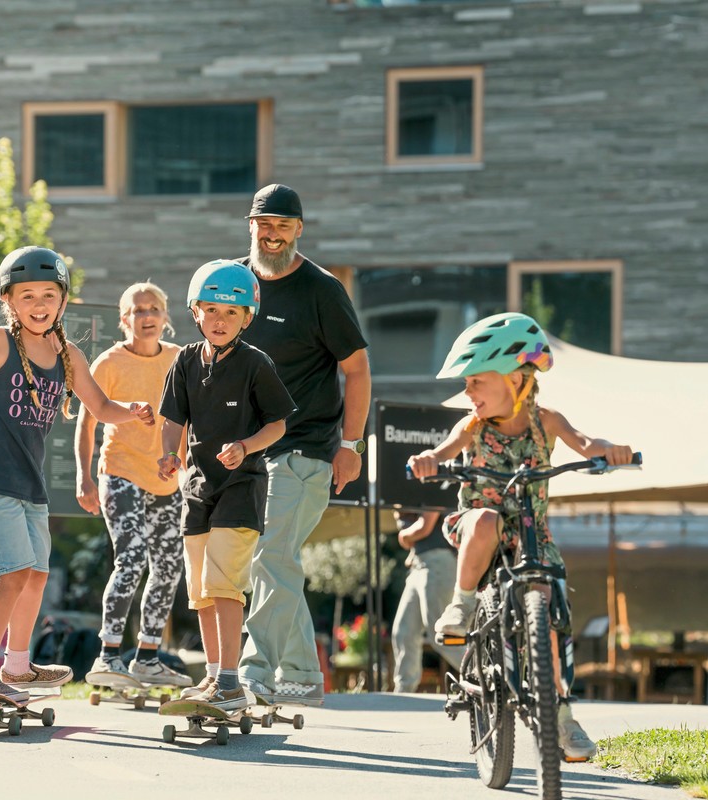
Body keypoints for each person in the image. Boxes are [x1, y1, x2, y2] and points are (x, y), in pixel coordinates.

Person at [406, 312, 633, 762]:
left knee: (549, 613)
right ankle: (463, 601)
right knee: (487, 519)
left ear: (516, 380)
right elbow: (444, 451)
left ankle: (562, 715)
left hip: (530, 534)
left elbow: (586, 443)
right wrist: (428, 459)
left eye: (476, 382)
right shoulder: (471, 426)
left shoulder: (546, 421)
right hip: (478, 526)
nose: (467, 392)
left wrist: (611, 451)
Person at [0, 245, 155, 701]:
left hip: (30, 485)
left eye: (47, 295)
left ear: (62, 300)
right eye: (27, 296)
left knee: (37, 575)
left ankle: (18, 668)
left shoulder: (67, 353)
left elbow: (99, 406)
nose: (39, 305)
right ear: (9, 301)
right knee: (13, 573)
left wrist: (132, 413)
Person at [236, 184, 371, 707]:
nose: (272, 236)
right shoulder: (231, 282)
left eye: (283, 227)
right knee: (275, 560)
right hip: (244, 450)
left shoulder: (322, 290)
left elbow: (356, 370)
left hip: (304, 447)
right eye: (263, 225)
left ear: (299, 230)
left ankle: (251, 672)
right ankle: (303, 676)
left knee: (271, 557)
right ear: (250, 225)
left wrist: (351, 444)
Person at [156, 259, 296, 713]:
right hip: (196, 486)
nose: (220, 320)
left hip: (242, 486)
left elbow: (277, 424)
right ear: (195, 312)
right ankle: (215, 678)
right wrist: (167, 454)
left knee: (223, 584)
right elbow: (173, 418)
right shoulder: (183, 360)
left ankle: (232, 683)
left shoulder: (256, 363)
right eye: (211, 310)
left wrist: (246, 445)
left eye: (231, 313)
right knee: (200, 590)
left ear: (247, 318)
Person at [75, 281, 191, 688]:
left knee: (169, 566)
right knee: (133, 557)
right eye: (137, 310)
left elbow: (191, 417)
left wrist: (183, 464)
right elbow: (88, 421)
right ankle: (108, 656)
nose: (146, 317)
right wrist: (84, 476)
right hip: (120, 471)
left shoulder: (180, 359)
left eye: (153, 309)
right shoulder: (108, 362)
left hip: (164, 478)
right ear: (125, 319)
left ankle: (146, 656)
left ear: (165, 317)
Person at [389, 508, 463, 694]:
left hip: (438, 563)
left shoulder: (432, 483)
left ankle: (485, 675)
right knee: (404, 631)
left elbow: (425, 526)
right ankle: (404, 693)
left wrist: (404, 537)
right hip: (419, 564)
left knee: (440, 633)